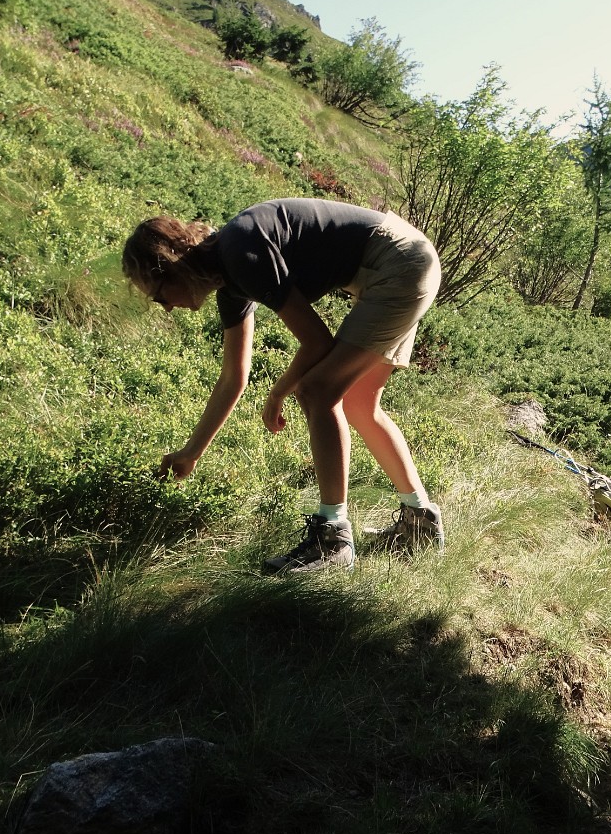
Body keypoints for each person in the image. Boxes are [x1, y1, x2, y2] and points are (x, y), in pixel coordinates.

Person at [121, 198, 444, 573]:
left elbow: (317, 343)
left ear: (171, 268)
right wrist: (191, 452)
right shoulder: (229, 278)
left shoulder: (242, 252)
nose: (164, 307)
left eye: (158, 295)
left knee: (317, 391)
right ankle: (420, 522)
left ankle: (332, 540)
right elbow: (233, 378)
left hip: (398, 264)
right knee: (359, 403)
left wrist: (279, 391)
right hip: (403, 259)